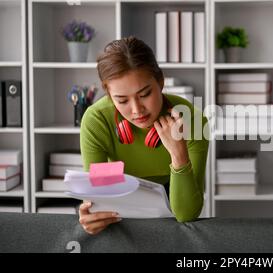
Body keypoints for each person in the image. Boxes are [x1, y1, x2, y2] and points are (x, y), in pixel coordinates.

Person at [78, 36, 209, 235]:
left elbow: (186, 215)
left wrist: (179, 155)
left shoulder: (192, 120)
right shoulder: (97, 121)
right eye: (122, 100)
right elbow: (100, 197)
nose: (137, 110)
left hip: (175, 208)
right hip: (122, 207)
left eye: (145, 94)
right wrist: (91, 213)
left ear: (161, 82)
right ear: (108, 95)